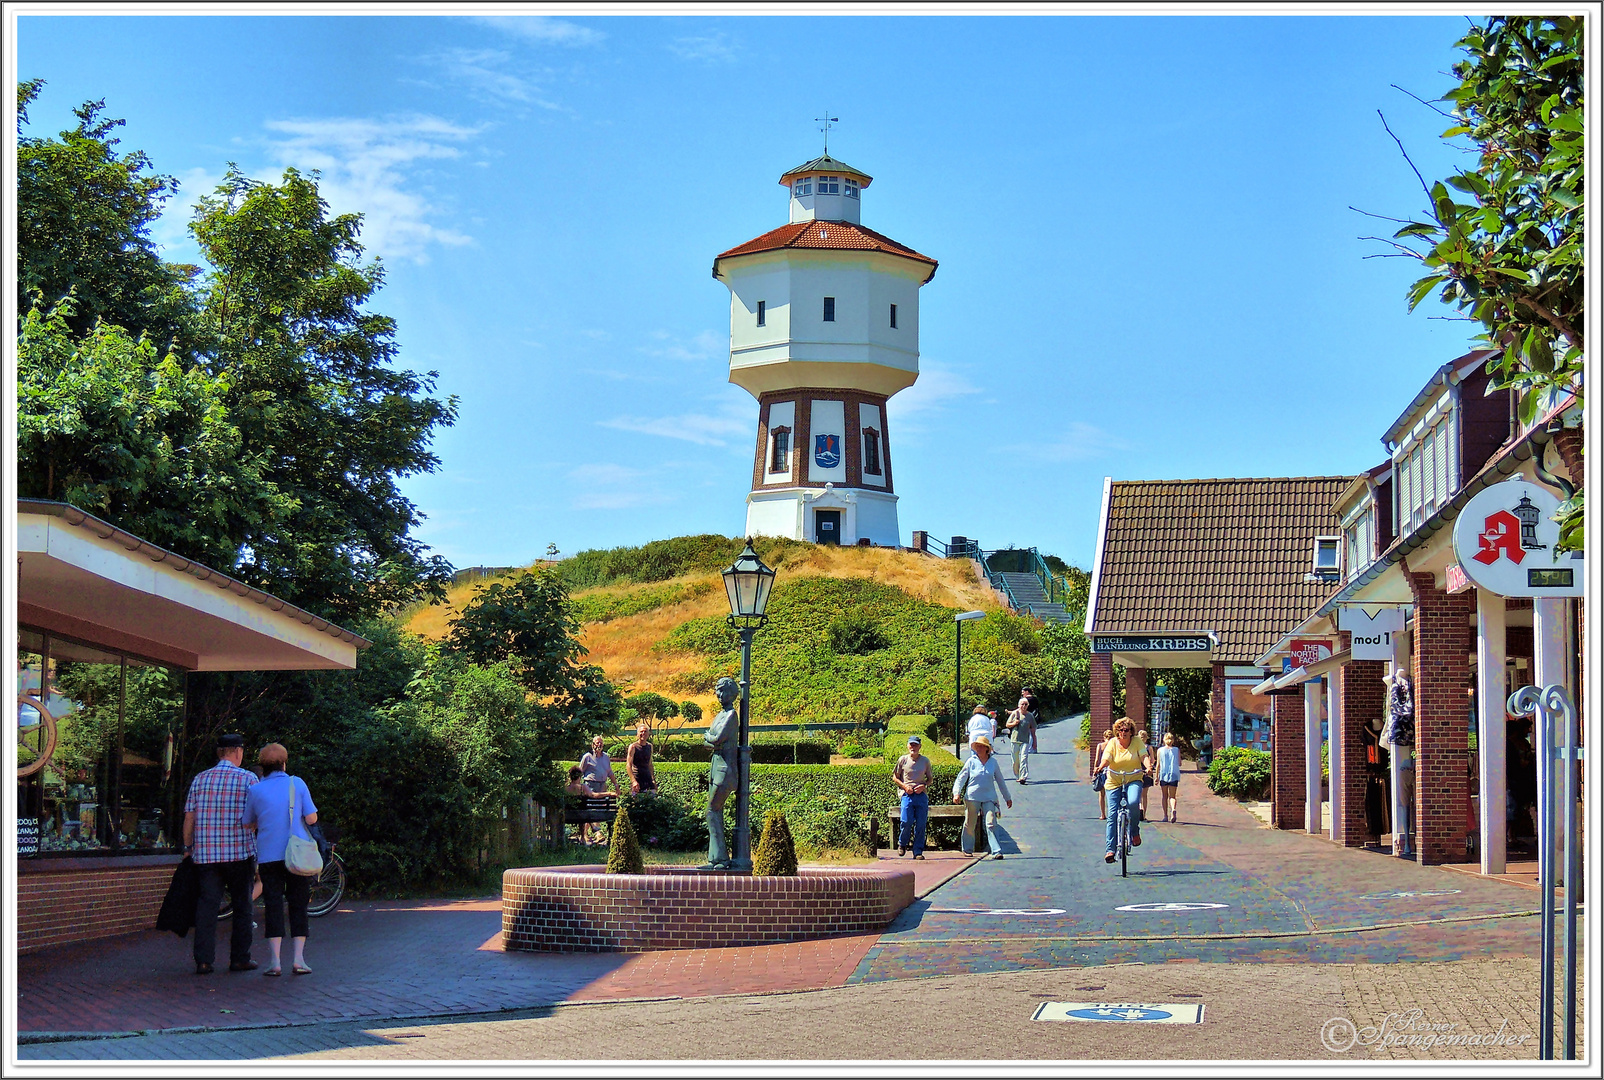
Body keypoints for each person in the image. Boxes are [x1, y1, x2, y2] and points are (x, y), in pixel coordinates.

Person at [183, 732, 259, 974]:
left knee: (207, 907)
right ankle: (239, 958)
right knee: (243, 906)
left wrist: (188, 847)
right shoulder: (248, 778)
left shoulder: (200, 779)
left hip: (206, 855)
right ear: (237, 752)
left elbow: (189, 818)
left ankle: (204, 961)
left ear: (219, 753)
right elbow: (257, 817)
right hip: (240, 853)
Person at [241, 742, 319, 976]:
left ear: (262, 766)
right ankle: (298, 959)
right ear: (284, 763)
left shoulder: (256, 790)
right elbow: (312, 818)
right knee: (298, 905)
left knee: (273, 905)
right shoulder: (297, 783)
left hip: (268, 856)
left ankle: (274, 961)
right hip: (296, 854)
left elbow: (247, 822)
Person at [952, 734, 1012, 859]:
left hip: (989, 797)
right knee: (970, 823)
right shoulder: (971, 762)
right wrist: (956, 792)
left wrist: (1007, 797)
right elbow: (961, 778)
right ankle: (967, 848)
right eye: (977, 746)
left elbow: (1000, 780)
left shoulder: (993, 763)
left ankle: (996, 850)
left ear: (986, 749)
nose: (978, 749)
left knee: (991, 823)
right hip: (972, 797)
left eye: (981, 746)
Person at [1098, 718, 1148, 864]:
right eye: (1120, 730)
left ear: (1131, 731)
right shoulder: (1112, 743)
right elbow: (1106, 758)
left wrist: (1148, 766)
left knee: (1133, 802)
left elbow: (1144, 756)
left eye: (1126, 730)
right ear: (1117, 731)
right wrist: (1101, 767)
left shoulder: (1137, 741)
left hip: (1133, 778)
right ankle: (1110, 850)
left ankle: (1134, 831)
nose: (1123, 733)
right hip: (1114, 780)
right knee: (1112, 815)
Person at [893, 735, 933, 859]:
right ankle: (902, 843)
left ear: (920, 746)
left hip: (921, 796)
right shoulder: (903, 760)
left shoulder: (925, 761)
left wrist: (924, 785)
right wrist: (905, 787)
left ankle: (918, 851)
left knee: (921, 824)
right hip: (907, 795)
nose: (913, 747)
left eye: (916, 745)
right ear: (907, 746)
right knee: (906, 821)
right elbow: (895, 777)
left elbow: (930, 779)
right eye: (911, 744)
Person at [577, 736, 619, 845]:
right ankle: (588, 834)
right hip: (590, 786)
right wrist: (577, 786)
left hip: (602, 785)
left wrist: (616, 784)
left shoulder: (606, 757)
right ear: (592, 745)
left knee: (599, 809)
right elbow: (579, 772)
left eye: (600, 743)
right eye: (596, 743)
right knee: (590, 809)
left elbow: (609, 772)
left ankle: (596, 833)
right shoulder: (587, 757)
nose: (598, 745)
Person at [1006, 696, 1036, 784]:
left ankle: (1023, 776)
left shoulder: (1030, 716)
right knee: (1015, 760)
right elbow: (1007, 724)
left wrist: (1034, 741)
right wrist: (1014, 723)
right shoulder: (1015, 713)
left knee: (1024, 757)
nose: (1024, 706)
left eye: (1026, 704)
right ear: (1019, 705)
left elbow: (1033, 729)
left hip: (1025, 740)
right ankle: (1017, 775)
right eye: (1022, 704)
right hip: (1015, 739)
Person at [1156, 732, 1182, 823]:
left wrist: (1156, 776)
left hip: (1163, 774)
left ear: (1164, 740)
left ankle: (1165, 816)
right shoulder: (1176, 750)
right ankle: (1173, 810)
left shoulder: (1160, 750)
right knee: (1172, 796)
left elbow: (1158, 764)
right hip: (1174, 773)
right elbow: (1179, 763)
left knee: (1164, 796)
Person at [626, 722, 657, 794]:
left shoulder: (650, 746)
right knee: (637, 803)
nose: (643, 733)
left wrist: (653, 779)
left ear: (648, 734)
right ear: (637, 734)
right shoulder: (633, 747)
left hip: (648, 779)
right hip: (637, 780)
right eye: (641, 731)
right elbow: (628, 765)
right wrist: (633, 781)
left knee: (652, 801)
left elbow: (650, 764)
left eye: (645, 731)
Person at [1093, 728, 1114, 819]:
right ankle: (1111, 813)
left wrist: (1095, 769)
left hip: (1102, 771)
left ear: (1104, 737)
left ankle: (1103, 814)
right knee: (1111, 793)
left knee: (1102, 794)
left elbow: (1097, 759)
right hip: (1111, 771)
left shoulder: (1100, 746)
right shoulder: (1113, 746)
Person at [1020, 687, 1042, 752]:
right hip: (1035, 717)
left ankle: (1030, 748)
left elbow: (1023, 709)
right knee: (1033, 733)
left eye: (1023, 692)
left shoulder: (1026, 700)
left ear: (1027, 692)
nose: (1022, 693)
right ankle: (1033, 748)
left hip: (1027, 718)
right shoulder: (1035, 699)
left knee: (1028, 733)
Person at [1138, 729, 1155, 818]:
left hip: (1138, 771)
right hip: (1146, 772)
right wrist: (1150, 766)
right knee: (1145, 794)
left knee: (1138, 793)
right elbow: (1152, 760)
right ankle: (1144, 814)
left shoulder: (1137, 748)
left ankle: (1139, 808)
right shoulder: (1149, 748)